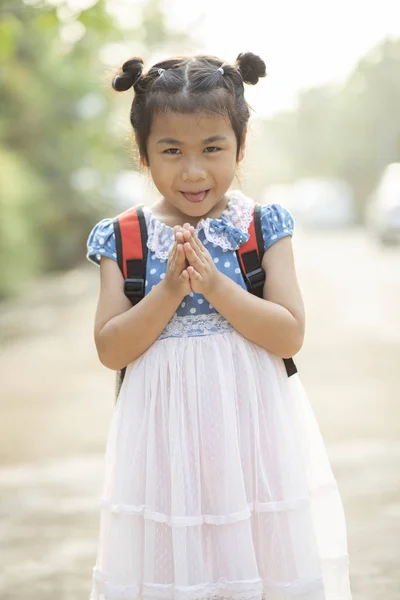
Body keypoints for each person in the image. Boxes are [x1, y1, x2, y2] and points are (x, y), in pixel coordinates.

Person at [86, 52, 352, 600]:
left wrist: (215, 286)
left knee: (257, 560)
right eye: (171, 150)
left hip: (254, 439)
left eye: (212, 149)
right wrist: (167, 290)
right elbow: (112, 349)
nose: (193, 171)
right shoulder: (125, 238)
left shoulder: (260, 226)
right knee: (174, 563)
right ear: (143, 153)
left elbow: (289, 333)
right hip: (163, 444)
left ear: (240, 147)